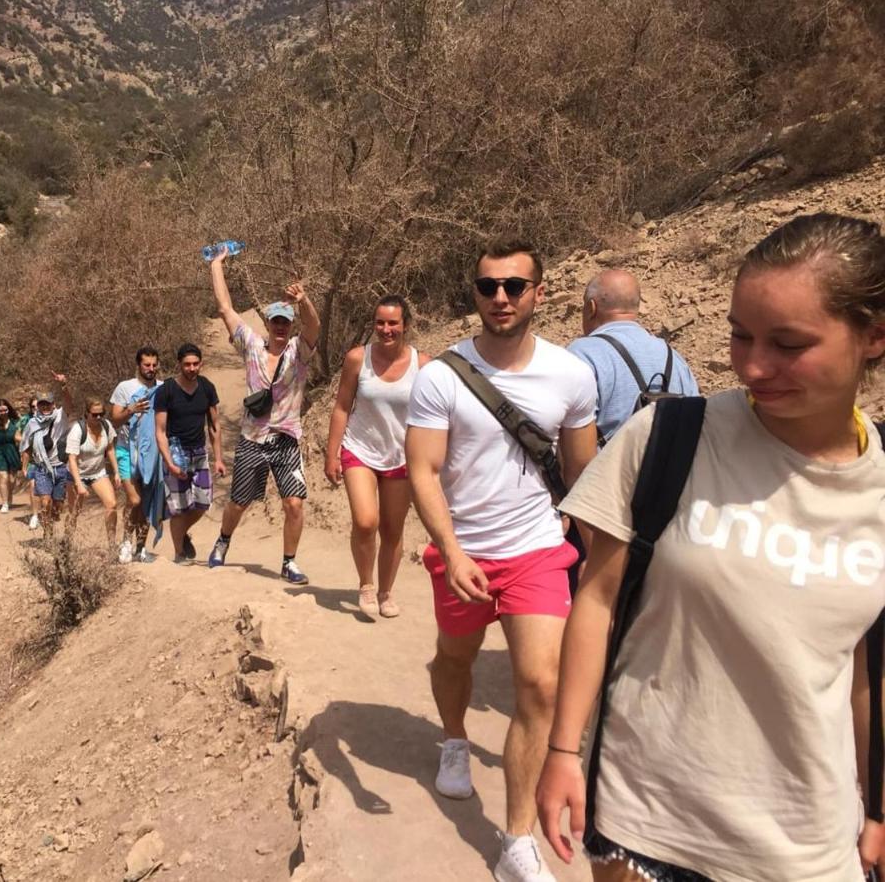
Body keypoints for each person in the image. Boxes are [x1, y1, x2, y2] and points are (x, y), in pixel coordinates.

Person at [537, 213, 885, 881]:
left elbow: (869, 664)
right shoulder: (672, 436)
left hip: (807, 842)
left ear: (873, 336)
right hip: (646, 815)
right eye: (740, 335)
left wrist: (880, 805)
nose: (753, 365)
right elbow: (598, 598)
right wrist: (561, 751)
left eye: (788, 343)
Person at [406, 240, 597, 881]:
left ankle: (517, 841)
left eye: (515, 286)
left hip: (538, 548)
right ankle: (455, 737)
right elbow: (424, 470)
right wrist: (452, 550)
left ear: (540, 292)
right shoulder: (441, 375)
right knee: (454, 658)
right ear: (476, 294)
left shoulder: (571, 374)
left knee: (541, 684)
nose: (501, 298)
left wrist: (595, 549)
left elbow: (582, 469)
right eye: (488, 287)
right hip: (464, 553)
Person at [205, 247, 320, 584]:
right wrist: (216, 266)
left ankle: (289, 562)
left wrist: (304, 300)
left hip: (286, 439)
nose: (281, 327)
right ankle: (224, 540)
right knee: (239, 502)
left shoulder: (300, 351)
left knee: (294, 504)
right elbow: (225, 307)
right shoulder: (252, 346)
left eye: (286, 322)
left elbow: (314, 325)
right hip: (253, 438)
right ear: (268, 323)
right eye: (276, 322)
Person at [324, 295, 430, 618]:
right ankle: (366, 584)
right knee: (366, 520)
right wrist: (332, 454)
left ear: (405, 325)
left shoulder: (423, 364)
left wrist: (430, 459)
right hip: (360, 449)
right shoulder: (358, 359)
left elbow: (433, 416)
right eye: (380, 323)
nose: (386, 329)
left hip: (400, 456)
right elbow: (342, 406)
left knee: (393, 530)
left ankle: (386, 592)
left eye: (392, 323)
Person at [567, 269, 700, 444]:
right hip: (673, 469)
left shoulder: (580, 354)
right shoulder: (674, 357)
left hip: (607, 470)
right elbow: (697, 422)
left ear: (591, 308)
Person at [155, 344, 225, 564]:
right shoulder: (166, 390)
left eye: (196, 364)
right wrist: (169, 462)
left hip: (199, 453)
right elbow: (160, 431)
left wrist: (219, 458)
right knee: (179, 508)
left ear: (201, 363)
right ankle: (178, 553)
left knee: (203, 503)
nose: (192, 368)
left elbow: (215, 425)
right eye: (187, 364)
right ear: (179, 365)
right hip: (176, 454)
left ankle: (182, 533)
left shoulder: (207, 388)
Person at [109, 348, 162, 563]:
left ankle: (141, 547)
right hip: (126, 450)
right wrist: (131, 409)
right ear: (138, 365)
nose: (150, 369)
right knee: (134, 499)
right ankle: (125, 542)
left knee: (147, 502)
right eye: (146, 365)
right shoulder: (125, 387)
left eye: (154, 365)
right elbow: (115, 420)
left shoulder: (162, 388)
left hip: (152, 453)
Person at [66, 397, 121, 549]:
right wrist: (79, 484)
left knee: (112, 504)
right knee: (74, 512)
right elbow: (72, 459)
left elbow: (109, 448)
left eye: (101, 414)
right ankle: (67, 545)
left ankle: (112, 545)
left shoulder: (106, 426)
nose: (98, 417)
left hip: (98, 472)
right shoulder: (77, 430)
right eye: (94, 414)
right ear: (86, 414)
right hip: (78, 473)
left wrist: (116, 472)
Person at [20, 374, 73, 533]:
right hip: (42, 469)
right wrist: (24, 467)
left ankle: (51, 520)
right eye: (41, 404)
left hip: (60, 468)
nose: (44, 407)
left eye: (48, 404)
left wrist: (64, 386)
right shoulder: (32, 423)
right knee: (45, 502)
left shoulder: (60, 417)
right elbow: (26, 446)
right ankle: (48, 534)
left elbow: (69, 404)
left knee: (57, 507)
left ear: (53, 404)